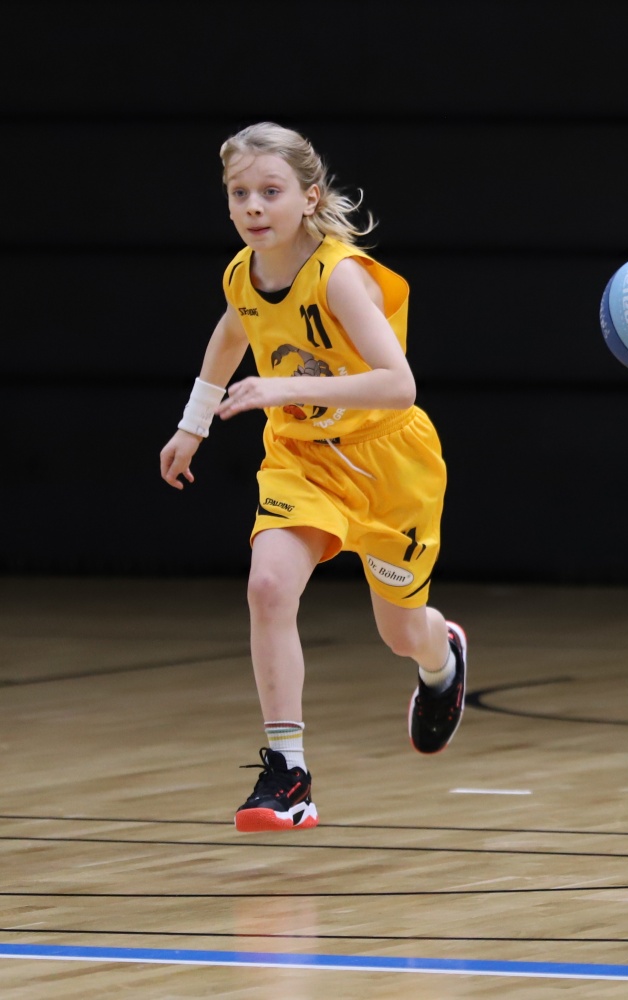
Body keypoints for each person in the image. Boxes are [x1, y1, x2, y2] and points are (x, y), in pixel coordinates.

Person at [158, 122, 468, 834]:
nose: (253, 206)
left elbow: (399, 385)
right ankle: (288, 773)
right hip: (302, 458)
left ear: (309, 197)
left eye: (270, 191)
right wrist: (193, 423)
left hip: (389, 464)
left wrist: (279, 387)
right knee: (268, 586)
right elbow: (231, 333)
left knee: (401, 632)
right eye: (239, 193)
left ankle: (441, 658)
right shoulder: (243, 274)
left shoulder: (340, 277)